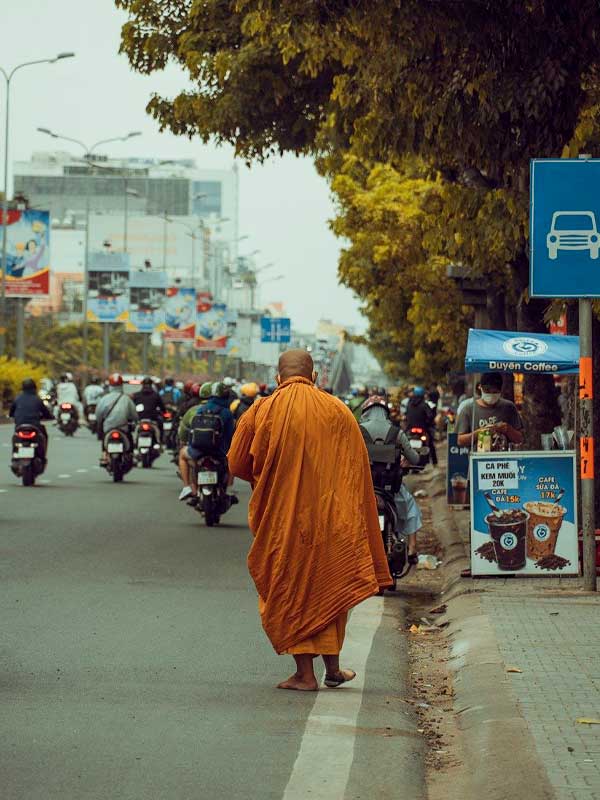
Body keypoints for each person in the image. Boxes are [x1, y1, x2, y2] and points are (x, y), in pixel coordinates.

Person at [228, 350, 392, 692]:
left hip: (284, 522)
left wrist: (267, 483)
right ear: (315, 376)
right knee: (329, 584)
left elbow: (236, 463)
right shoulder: (338, 411)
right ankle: (332, 668)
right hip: (332, 519)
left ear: (278, 379)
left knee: (291, 589)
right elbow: (356, 469)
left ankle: (305, 674)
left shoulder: (261, 410)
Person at [359, 395, 422, 564]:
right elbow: (415, 459)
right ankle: (412, 548)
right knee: (410, 507)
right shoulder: (397, 433)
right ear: (386, 413)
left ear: (365, 412)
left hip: (363, 489)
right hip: (390, 490)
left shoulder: (357, 431)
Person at [177, 381, 235, 502]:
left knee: (182, 454)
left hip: (198, 451)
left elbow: (190, 431)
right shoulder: (227, 413)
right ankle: (229, 488)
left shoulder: (199, 409)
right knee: (234, 459)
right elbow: (231, 435)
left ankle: (187, 487)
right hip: (220, 453)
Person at [456, 371, 524, 451]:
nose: (491, 395)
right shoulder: (468, 409)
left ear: (500, 390)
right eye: (487, 391)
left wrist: (507, 429)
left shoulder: (509, 407)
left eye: (495, 392)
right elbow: (460, 441)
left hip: (504, 460)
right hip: (478, 460)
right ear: (480, 387)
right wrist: (478, 433)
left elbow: (520, 439)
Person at [95, 373, 138, 463]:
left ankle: (104, 455)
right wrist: (135, 421)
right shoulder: (126, 399)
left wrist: (100, 422)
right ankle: (131, 455)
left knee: (103, 437)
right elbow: (134, 415)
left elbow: (98, 414)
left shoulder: (104, 399)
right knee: (129, 437)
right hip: (123, 428)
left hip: (108, 428)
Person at [9, 378, 53, 460]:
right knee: (44, 436)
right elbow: (46, 413)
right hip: (35, 426)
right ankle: (42, 456)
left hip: (20, 426)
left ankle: (14, 454)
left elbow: (11, 413)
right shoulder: (37, 399)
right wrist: (50, 417)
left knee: (15, 437)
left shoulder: (17, 398)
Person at [405, 386, 437, 466]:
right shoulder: (424, 404)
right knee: (431, 444)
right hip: (423, 428)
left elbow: (407, 415)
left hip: (411, 428)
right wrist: (428, 422)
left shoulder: (409, 404)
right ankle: (435, 463)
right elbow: (430, 416)